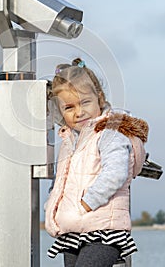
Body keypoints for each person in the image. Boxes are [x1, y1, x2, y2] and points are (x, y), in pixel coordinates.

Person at [44, 58, 148, 267]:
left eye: (85, 102)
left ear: (99, 98)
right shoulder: (70, 140)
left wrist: (87, 202)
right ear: (60, 111)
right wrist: (53, 206)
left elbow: (115, 173)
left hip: (103, 230)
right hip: (74, 230)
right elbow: (63, 181)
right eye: (69, 107)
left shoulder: (108, 133)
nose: (78, 112)